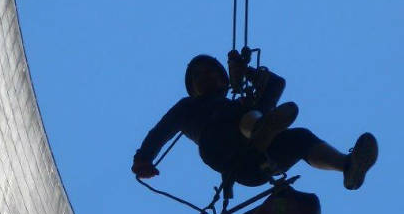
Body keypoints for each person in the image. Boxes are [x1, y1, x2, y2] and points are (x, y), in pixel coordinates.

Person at [131, 52, 378, 189]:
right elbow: (161, 130)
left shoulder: (240, 103)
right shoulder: (189, 108)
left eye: (212, 72)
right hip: (223, 149)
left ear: (224, 79)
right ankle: (262, 130)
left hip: (257, 164)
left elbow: (276, 84)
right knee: (243, 115)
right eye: (199, 75)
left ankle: (348, 166)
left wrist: (244, 70)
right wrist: (143, 158)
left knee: (300, 137)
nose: (206, 76)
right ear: (192, 88)